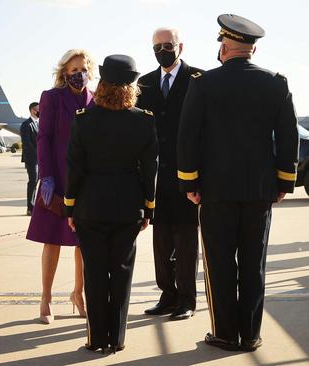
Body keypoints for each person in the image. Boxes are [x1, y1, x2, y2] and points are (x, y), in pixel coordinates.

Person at [177, 14, 299, 352]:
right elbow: (289, 139)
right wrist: (284, 183)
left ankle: (226, 334)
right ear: (252, 49)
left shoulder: (203, 83)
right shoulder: (276, 82)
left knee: (219, 263)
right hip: (259, 191)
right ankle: (251, 334)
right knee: (253, 263)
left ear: (225, 46)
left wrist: (189, 181)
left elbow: (187, 137)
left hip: (214, 191)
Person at [65, 54, 157, 353]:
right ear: (132, 86)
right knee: (121, 272)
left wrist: (70, 207)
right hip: (129, 207)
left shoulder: (83, 120)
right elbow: (150, 169)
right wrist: (149, 208)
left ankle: (95, 339)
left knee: (94, 272)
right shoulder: (144, 121)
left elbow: (74, 168)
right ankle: (116, 339)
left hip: (90, 206)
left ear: (101, 83)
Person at [136, 27, 203, 320]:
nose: (162, 50)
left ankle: (187, 299)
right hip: (156, 176)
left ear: (180, 46)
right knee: (161, 240)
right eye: (157, 46)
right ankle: (167, 295)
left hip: (189, 175)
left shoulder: (199, 80)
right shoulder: (145, 84)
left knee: (186, 241)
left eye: (168, 44)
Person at [26, 49, 96, 324]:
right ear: (64, 72)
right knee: (52, 240)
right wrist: (47, 177)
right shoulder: (52, 97)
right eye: (74, 70)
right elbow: (43, 138)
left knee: (83, 243)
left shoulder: (94, 100)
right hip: (57, 177)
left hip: (85, 182)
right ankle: (46, 298)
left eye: (84, 69)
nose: (79, 75)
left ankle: (78, 294)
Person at [20, 102, 39, 216]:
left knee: (37, 181)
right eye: (38, 109)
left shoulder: (39, 123)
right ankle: (30, 207)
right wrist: (39, 154)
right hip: (32, 159)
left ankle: (34, 205)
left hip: (40, 159)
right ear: (32, 110)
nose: (40, 111)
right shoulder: (26, 124)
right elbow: (26, 143)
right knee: (33, 180)